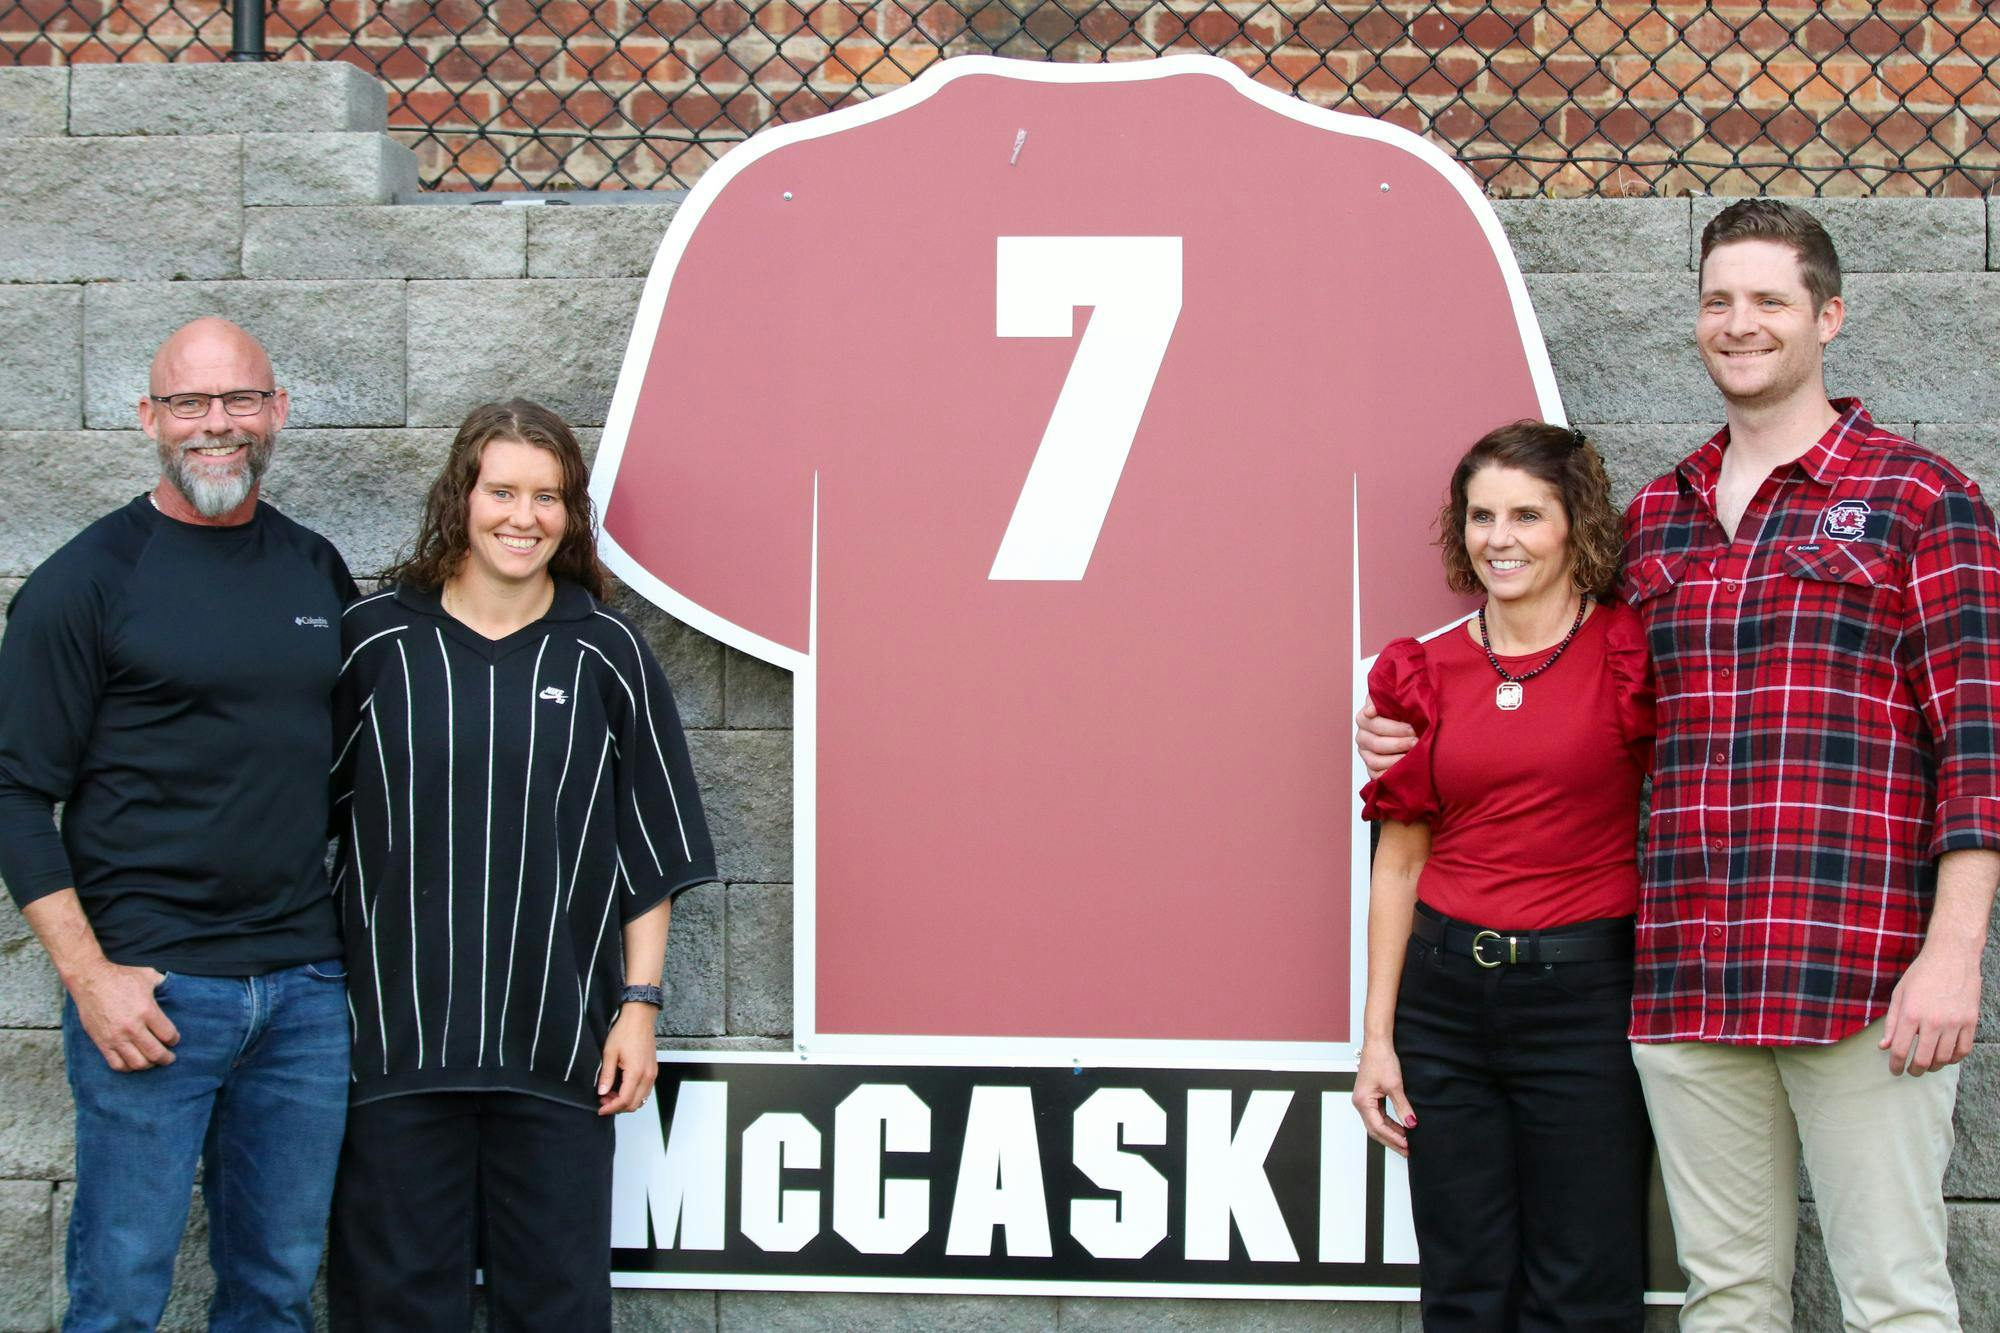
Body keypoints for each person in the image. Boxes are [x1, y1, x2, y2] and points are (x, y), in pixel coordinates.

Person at [1359, 200, 2000, 1331]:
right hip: (1683, 976)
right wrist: (1412, 731)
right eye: (1716, 300)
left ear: (1827, 315)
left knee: (1892, 1296)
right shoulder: (1656, 520)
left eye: (1767, 299)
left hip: (1857, 967)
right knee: (1726, 1297)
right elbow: (1549, 681)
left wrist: (1951, 955)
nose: (1737, 322)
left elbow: (1978, 743)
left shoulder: (1918, 500)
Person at [325, 399, 717, 1332]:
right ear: (463, 496)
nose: (523, 515)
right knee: (391, 1310)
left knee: (557, 1311)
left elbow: (649, 851)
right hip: (394, 1053)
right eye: (503, 490)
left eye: (548, 496)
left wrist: (639, 1009)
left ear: (570, 513)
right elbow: (308, 824)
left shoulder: (606, 652)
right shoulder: (373, 642)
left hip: (559, 1053)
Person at [0, 318, 355, 1331]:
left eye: (239, 399)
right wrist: (91, 979)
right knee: (120, 1291)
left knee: (277, 1289)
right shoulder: (87, 582)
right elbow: (16, 792)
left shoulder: (313, 569)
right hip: (152, 994)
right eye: (189, 403)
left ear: (277, 409)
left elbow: (335, 774)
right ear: (149, 418)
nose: (217, 425)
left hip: (302, 991)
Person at [1351, 421, 1653, 1331]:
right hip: (1444, 1009)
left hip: (1587, 1002)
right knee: (1464, 1287)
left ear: (1575, 526)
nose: (1501, 537)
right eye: (1482, 515)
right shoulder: (1422, 672)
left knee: (1584, 1288)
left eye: (1528, 514)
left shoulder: (1630, 657)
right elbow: (1400, 859)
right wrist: (1378, 1040)